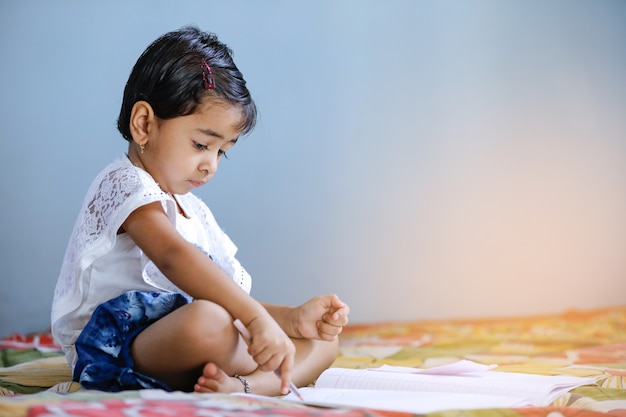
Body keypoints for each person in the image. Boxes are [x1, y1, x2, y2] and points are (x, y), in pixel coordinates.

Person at [50, 26, 350, 396]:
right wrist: (255, 319)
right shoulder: (123, 183)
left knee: (324, 341)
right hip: (118, 348)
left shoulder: (194, 211)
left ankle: (244, 386)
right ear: (144, 124)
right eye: (201, 144)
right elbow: (174, 258)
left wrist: (289, 319)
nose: (212, 165)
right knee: (209, 320)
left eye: (222, 151)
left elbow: (219, 293)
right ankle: (261, 375)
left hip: (189, 333)